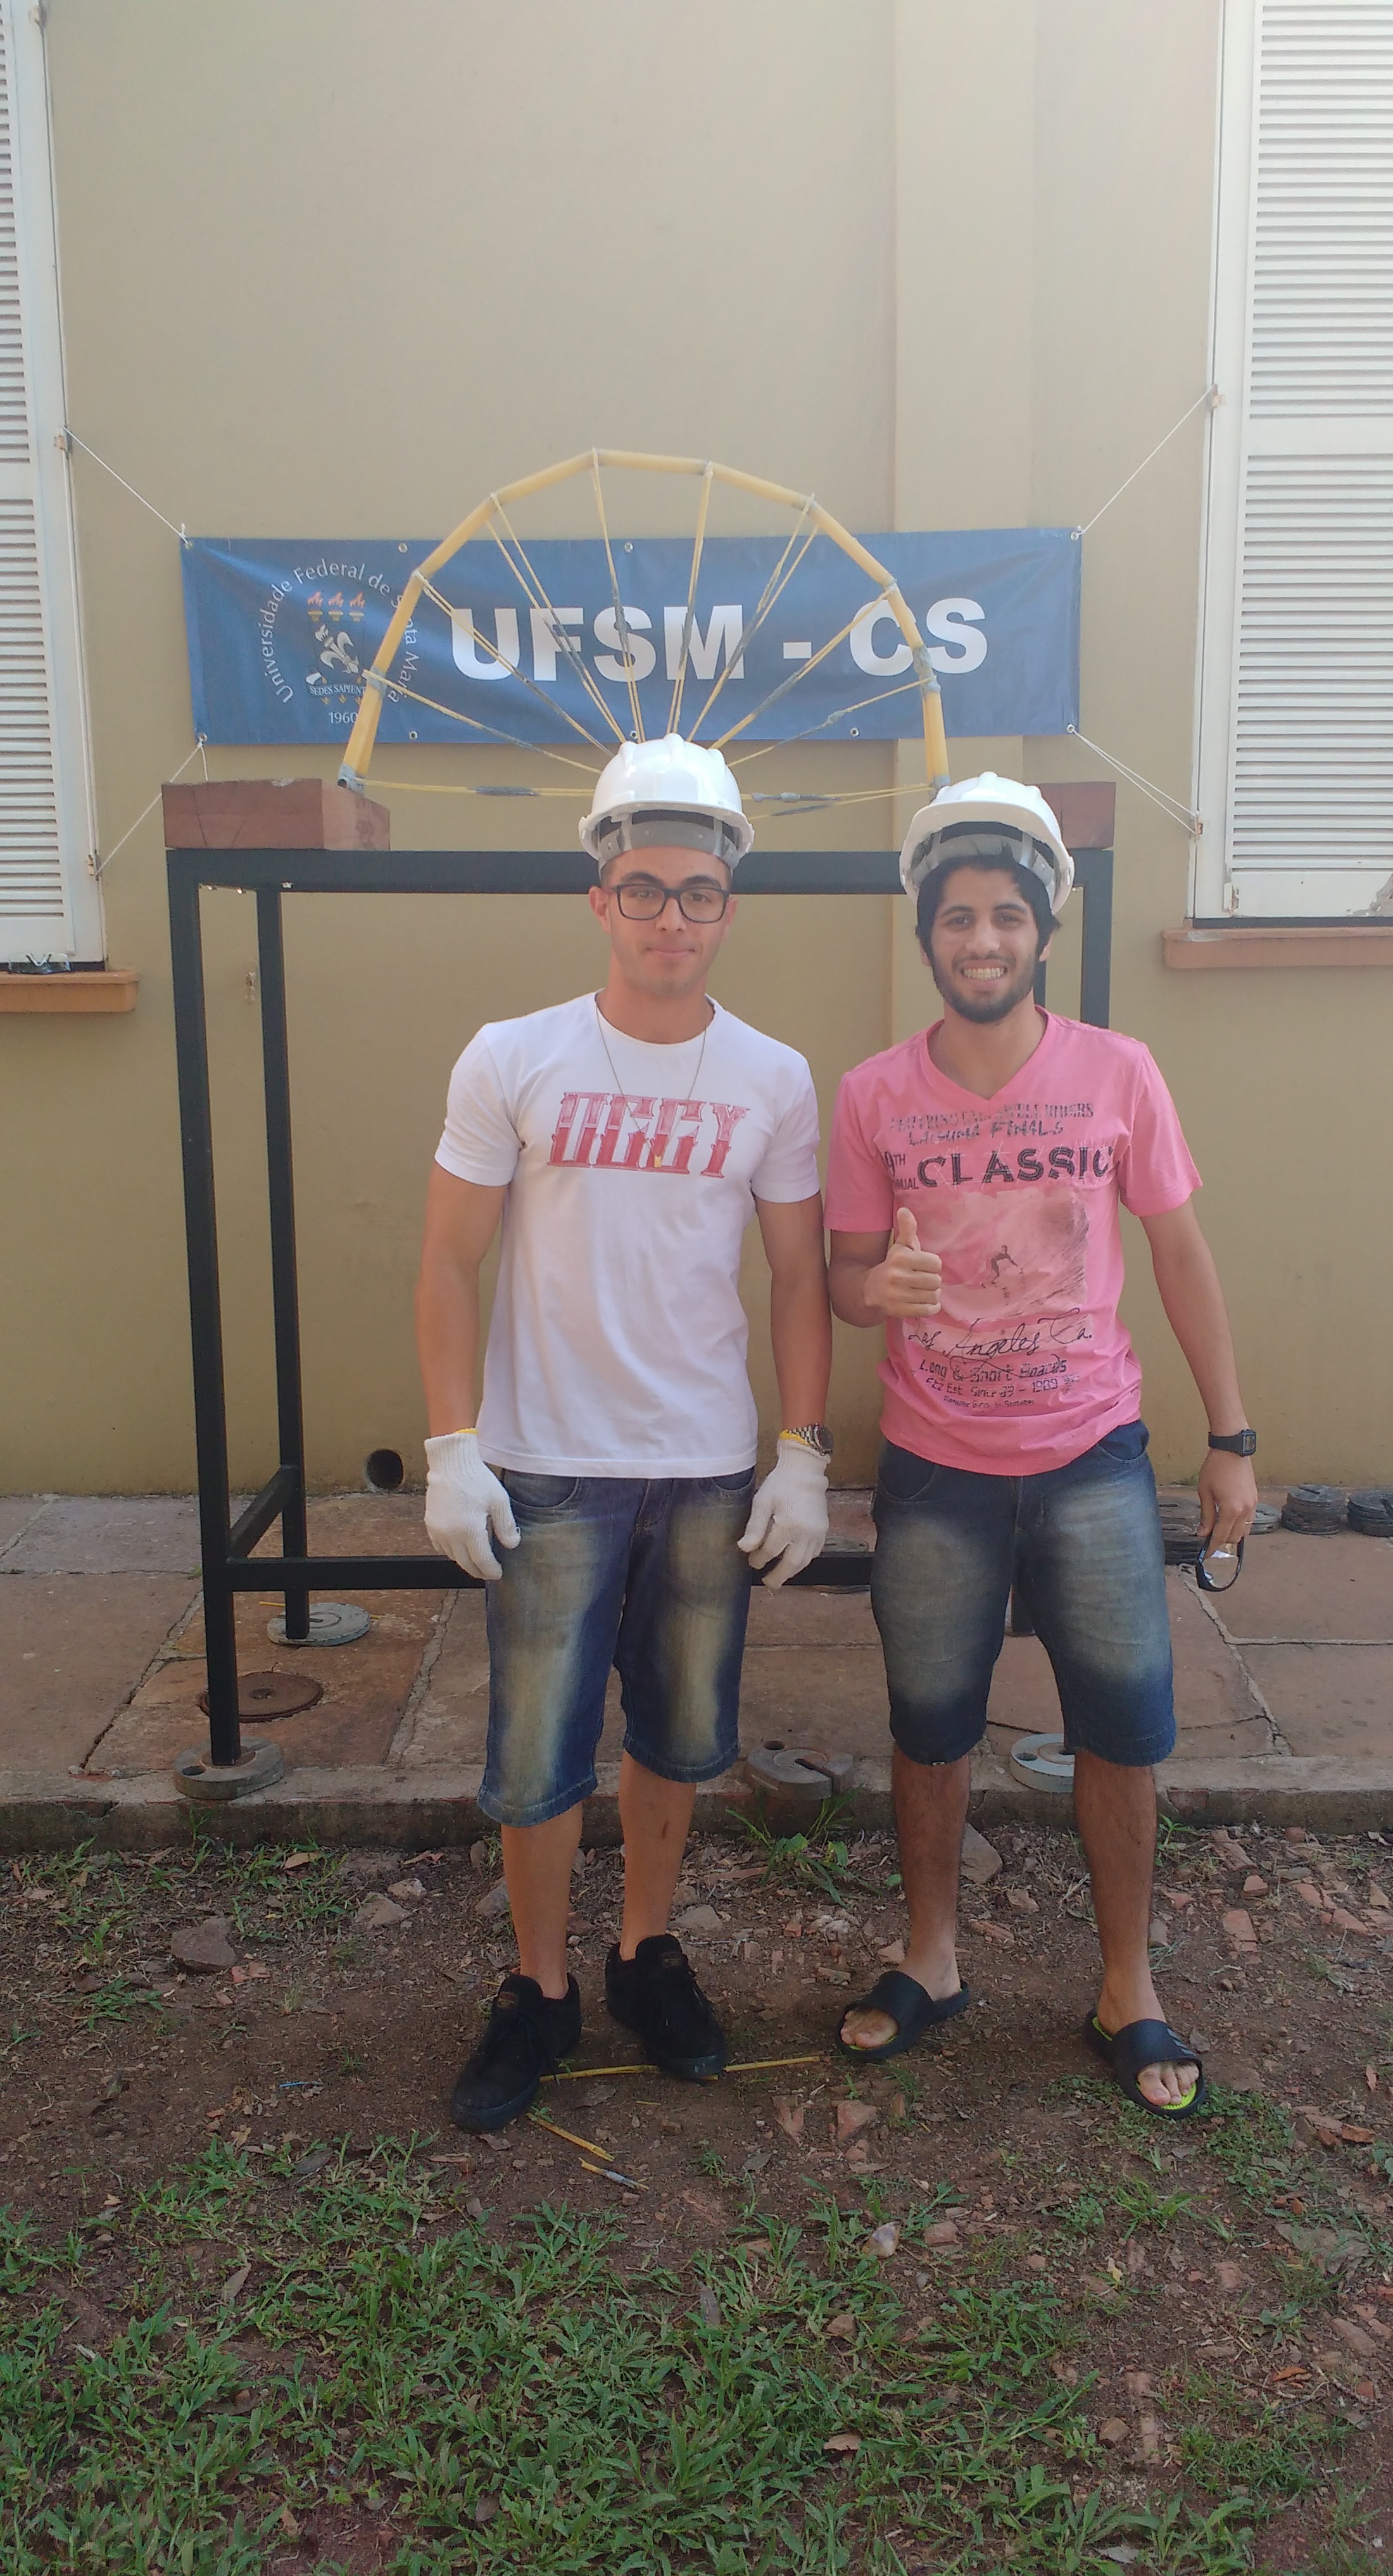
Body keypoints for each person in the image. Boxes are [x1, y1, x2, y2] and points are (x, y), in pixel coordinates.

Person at [416, 734, 834, 2132]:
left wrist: (804, 1450)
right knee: (539, 1749)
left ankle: (646, 1951)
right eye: (645, 889)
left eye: (698, 892)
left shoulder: (772, 1077)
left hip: (704, 1467)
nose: (671, 917)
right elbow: (446, 1260)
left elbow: (797, 1275)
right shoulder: (514, 1056)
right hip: (547, 1462)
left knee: (677, 1732)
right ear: (599, 897)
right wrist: (452, 1444)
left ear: (728, 908)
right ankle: (538, 1988)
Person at [825, 775, 1257, 2116]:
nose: (983, 940)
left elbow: (1180, 1255)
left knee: (1122, 1730)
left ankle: (1128, 1983)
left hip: (1091, 1460)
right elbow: (841, 1275)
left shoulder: (1119, 1073)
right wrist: (873, 1291)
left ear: (1047, 930)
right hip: (937, 1468)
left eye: (1007, 916)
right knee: (931, 1725)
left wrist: (1232, 1436)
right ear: (927, 935)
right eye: (958, 917)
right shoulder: (872, 1096)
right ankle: (932, 1955)